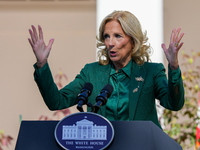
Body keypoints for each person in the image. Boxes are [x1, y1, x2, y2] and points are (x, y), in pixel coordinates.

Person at [28, 10, 184, 129]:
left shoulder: (152, 72)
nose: (110, 42)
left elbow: (174, 103)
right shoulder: (91, 73)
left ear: (133, 41)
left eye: (118, 36)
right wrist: (42, 64)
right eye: (106, 36)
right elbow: (57, 101)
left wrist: (174, 67)